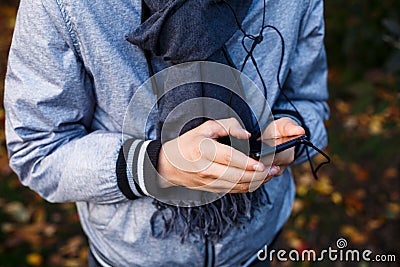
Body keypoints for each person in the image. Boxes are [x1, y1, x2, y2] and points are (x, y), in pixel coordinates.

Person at [4, 0, 329, 266]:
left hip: (256, 244)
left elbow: (308, 101)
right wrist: (156, 166)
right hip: (129, 257)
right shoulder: (65, 7)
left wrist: (290, 142)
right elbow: (38, 149)